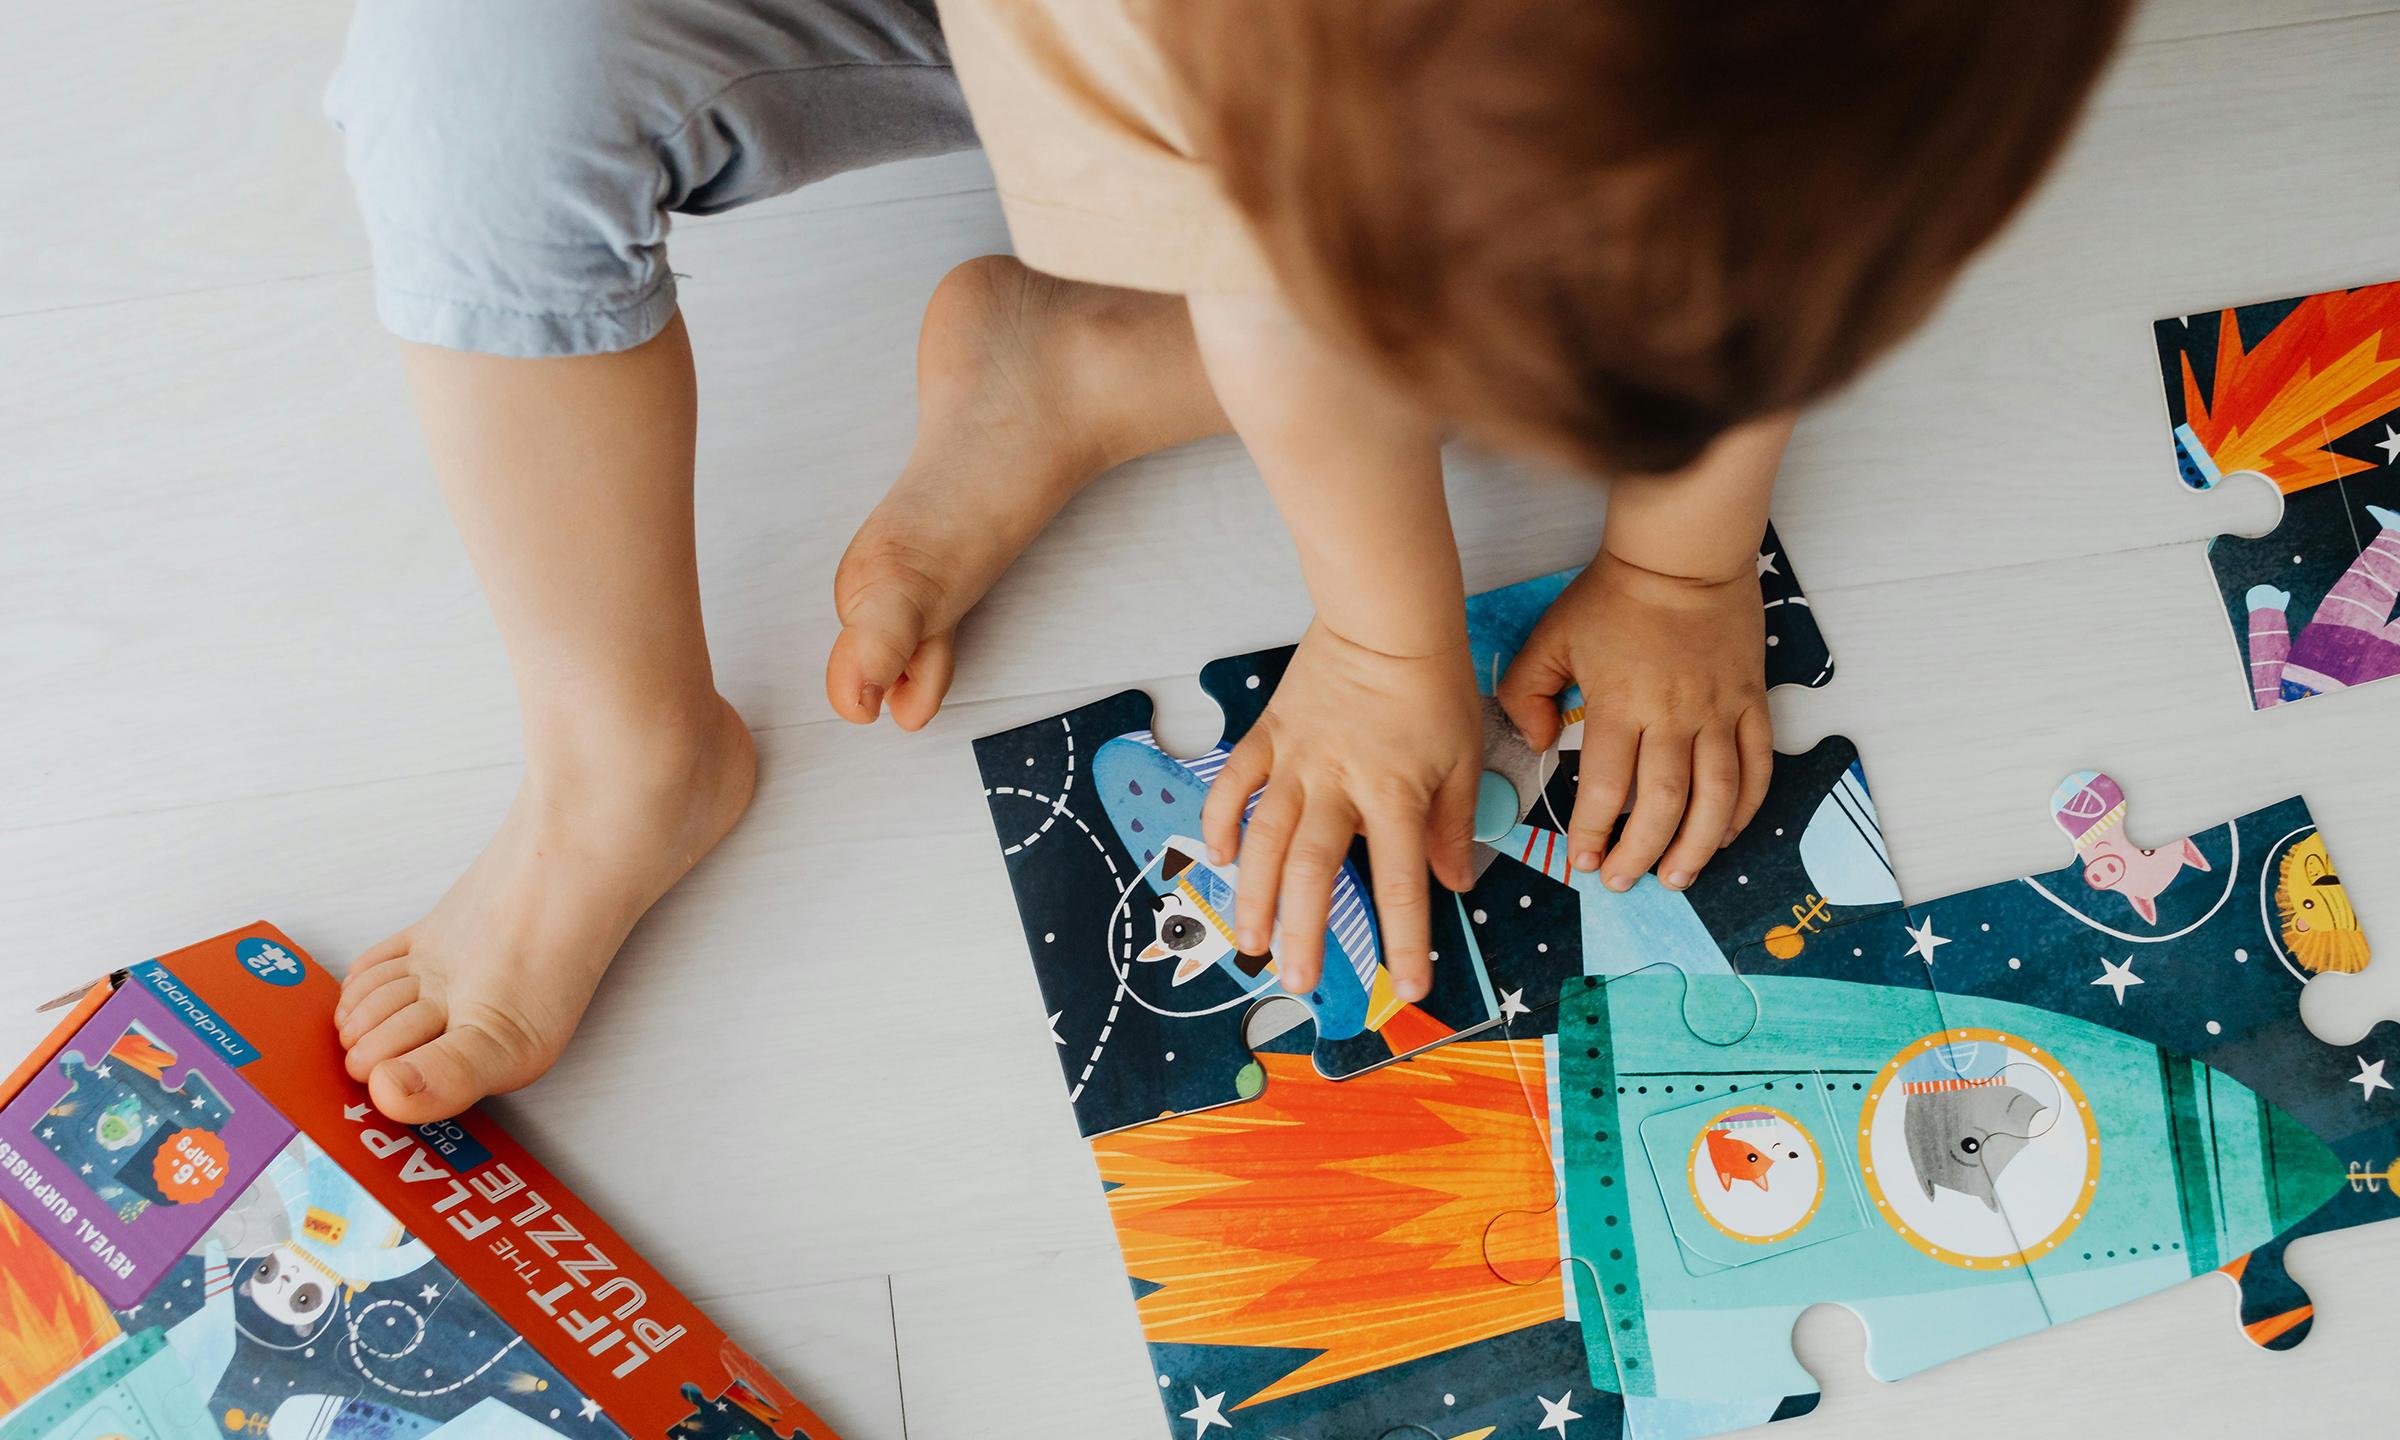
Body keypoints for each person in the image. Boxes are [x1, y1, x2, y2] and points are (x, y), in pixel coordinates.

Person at [324, 0, 2132, 1123]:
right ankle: (619, 755)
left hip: (1325, 87)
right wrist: (1384, 642)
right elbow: (1299, 294)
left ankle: (1086, 356)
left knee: (1569, 275)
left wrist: (1681, 565)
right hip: (1124, 45)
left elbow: (1779, 203)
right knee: (472, 77)